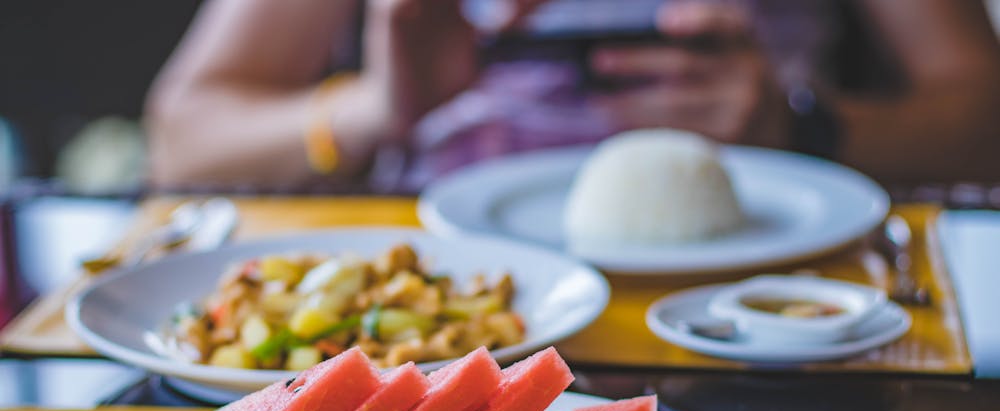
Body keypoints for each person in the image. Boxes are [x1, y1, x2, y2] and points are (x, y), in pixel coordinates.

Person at [144, 0, 1000, 192]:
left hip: (756, 292)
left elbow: (983, 118)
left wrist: (800, 126)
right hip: (460, 305)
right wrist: (374, 107)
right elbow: (182, 138)